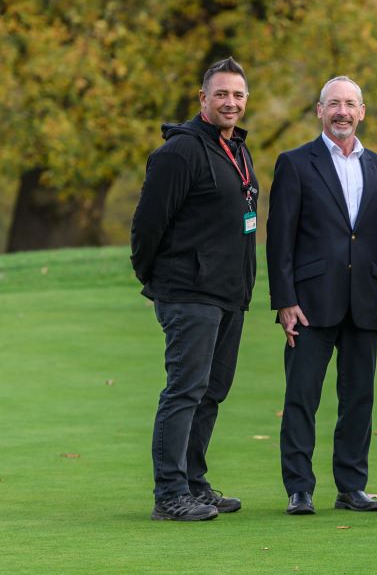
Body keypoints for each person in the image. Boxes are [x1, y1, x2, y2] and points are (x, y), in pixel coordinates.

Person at [267, 76, 377, 516]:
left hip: (365, 300)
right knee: (301, 397)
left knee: (359, 398)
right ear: (320, 111)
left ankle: (351, 487)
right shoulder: (295, 163)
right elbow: (279, 239)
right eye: (334, 104)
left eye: (350, 104)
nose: (342, 112)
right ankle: (299, 489)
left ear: (362, 111)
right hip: (308, 304)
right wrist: (284, 300)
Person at [131, 57, 258, 521]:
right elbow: (147, 225)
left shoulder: (237, 149)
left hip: (229, 293)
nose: (231, 102)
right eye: (221, 94)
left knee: (211, 391)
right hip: (189, 292)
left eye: (238, 95)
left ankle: (194, 482)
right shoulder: (180, 152)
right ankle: (169, 494)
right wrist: (156, 278)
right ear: (202, 98)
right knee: (185, 390)